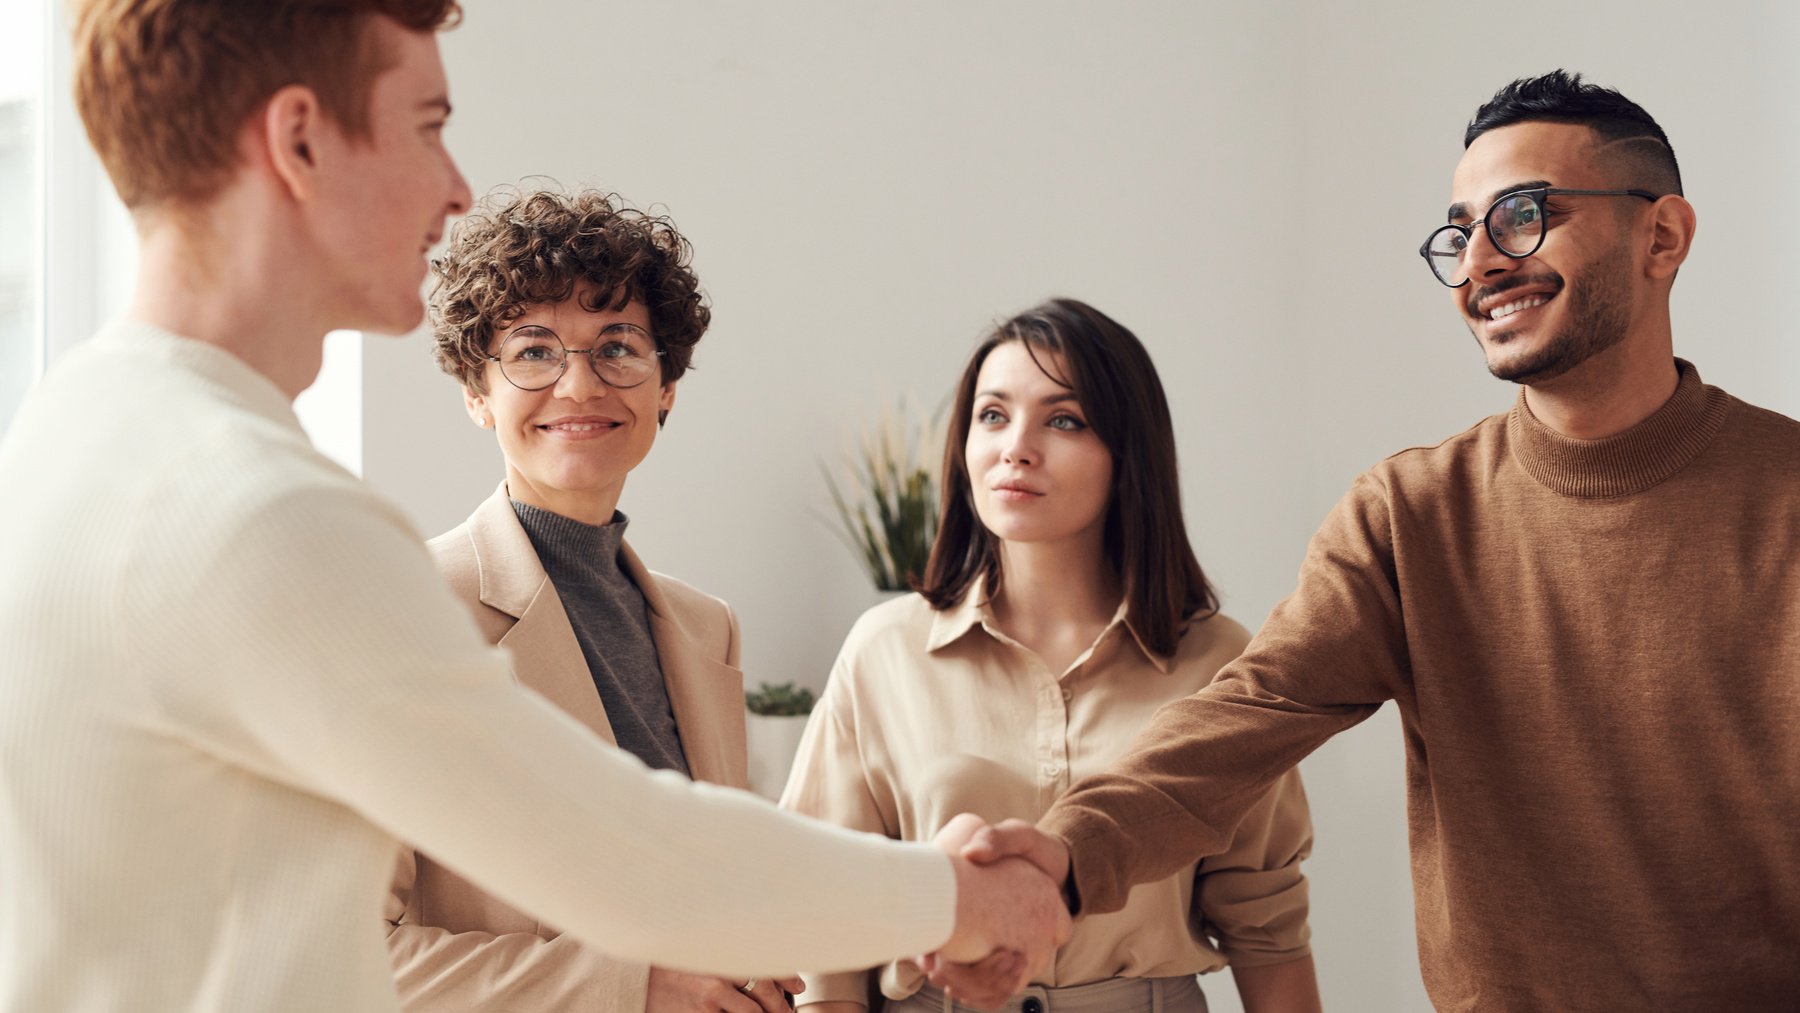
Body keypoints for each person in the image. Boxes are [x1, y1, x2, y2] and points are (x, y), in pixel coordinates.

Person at [0, 3, 1067, 1010]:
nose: (455, 188)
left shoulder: (67, 437)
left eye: (616, 351)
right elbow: (616, 848)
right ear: (300, 141)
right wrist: (963, 898)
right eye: (428, 126)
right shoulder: (257, 515)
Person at [942, 71, 1800, 1011]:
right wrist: (1060, 857)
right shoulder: (1410, 516)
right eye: (1459, 235)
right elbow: (1243, 716)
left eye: (1521, 215)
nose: (1479, 263)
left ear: (1662, 236)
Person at [782, 300, 1321, 1013]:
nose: (1017, 447)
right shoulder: (884, 650)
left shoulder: (1219, 660)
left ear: (1127, 453)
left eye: (1063, 419)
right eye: (993, 415)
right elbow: (826, 922)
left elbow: (1267, 928)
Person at [383, 186, 800, 1012]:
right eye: (534, 352)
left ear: (666, 385)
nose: (580, 386)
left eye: (618, 347)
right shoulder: (406, 608)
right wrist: (625, 986)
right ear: (477, 392)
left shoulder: (705, 627)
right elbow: (345, 951)